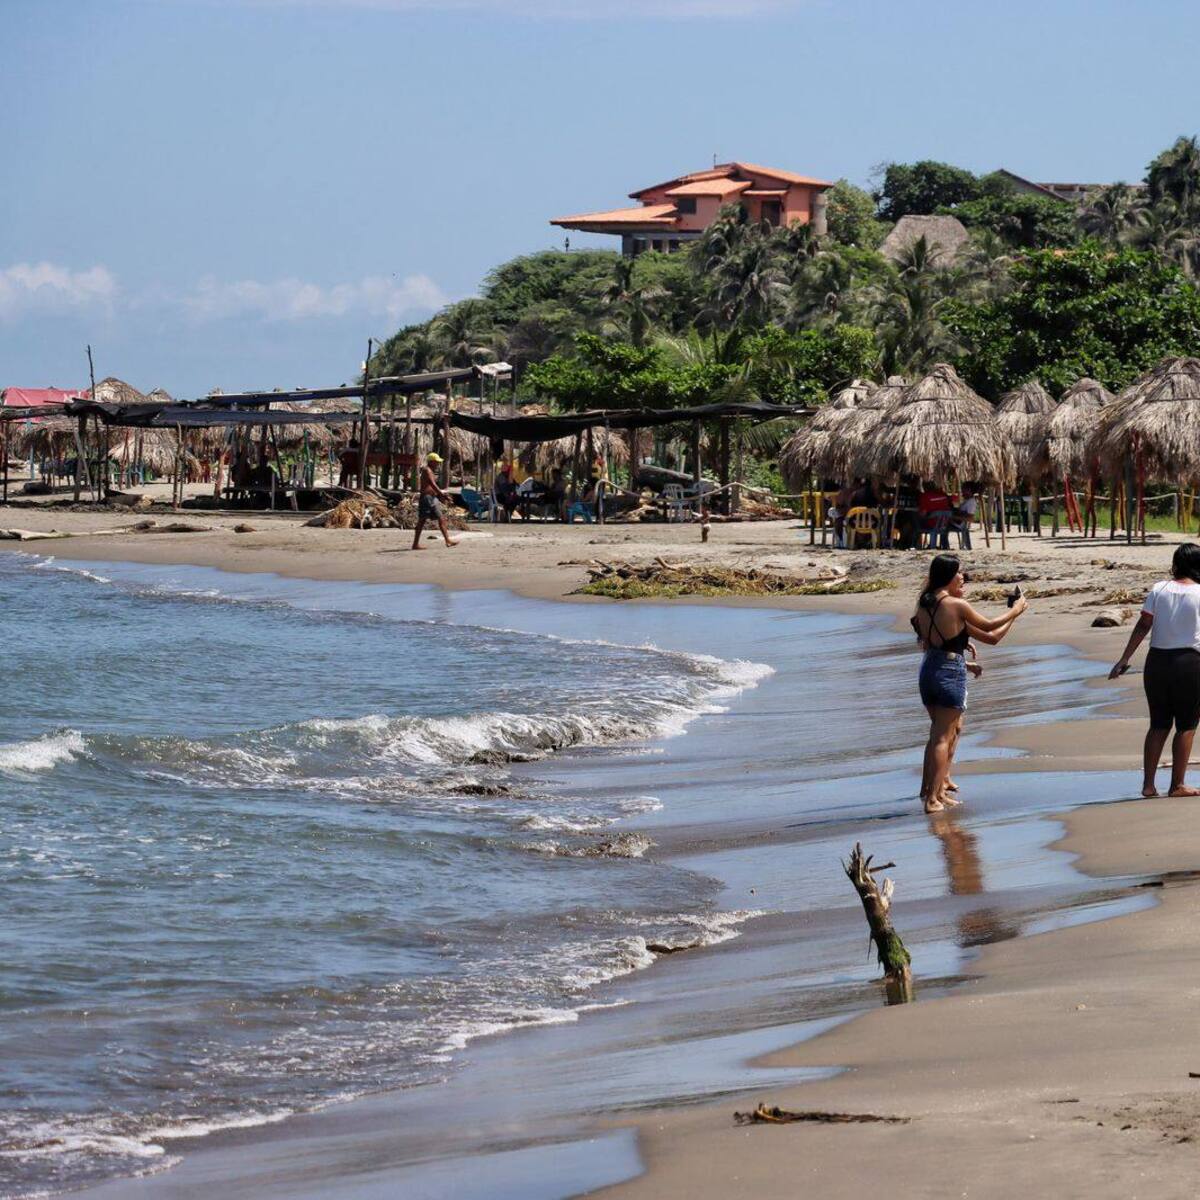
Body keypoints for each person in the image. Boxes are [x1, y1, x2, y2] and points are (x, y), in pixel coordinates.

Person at [911, 554, 1028, 813]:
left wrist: (965, 657)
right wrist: (1015, 610)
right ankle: (932, 799)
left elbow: (986, 637)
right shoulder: (955, 605)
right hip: (948, 671)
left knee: (938, 734)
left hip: (929, 669)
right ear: (948, 576)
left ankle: (935, 791)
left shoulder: (924, 603)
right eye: (959, 573)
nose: (962, 577)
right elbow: (990, 626)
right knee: (943, 737)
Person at [1109, 543, 1200, 797]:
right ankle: (1177, 785)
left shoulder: (1159, 590)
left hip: (1157, 663)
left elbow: (1142, 625)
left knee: (1158, 724)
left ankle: (1148, 785)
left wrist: (1123, 659)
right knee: (1187, 724)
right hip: (1190, 662)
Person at [411, 453, 458, 550]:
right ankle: (415, 544)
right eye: (436, 462)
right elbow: (432, 485)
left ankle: (447, 540)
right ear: (431, 462)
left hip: (433, 498)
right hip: (426, 499)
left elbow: (432, 486)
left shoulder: (431, 470)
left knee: (441, 518)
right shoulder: (426, 470)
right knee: (421, 521)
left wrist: (439, 495)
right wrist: (442, 494)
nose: (438, 464)